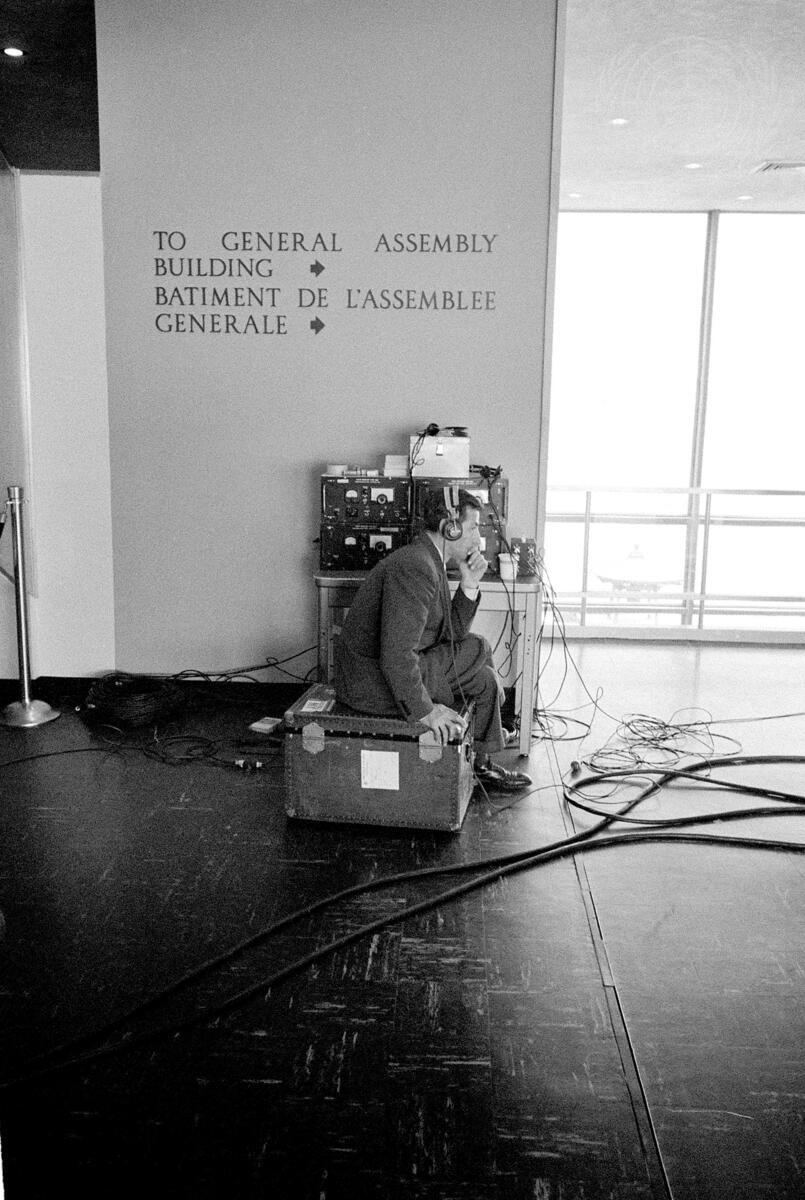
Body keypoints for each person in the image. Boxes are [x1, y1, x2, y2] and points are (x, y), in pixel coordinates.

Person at [333, 485, 532, 793]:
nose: (478, 538)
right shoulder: (416, 566)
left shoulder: (428, 559)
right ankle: (488, 741)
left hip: (387, 672)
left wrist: (469, 583)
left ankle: (480, 763)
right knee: (478, 647)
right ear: (449, 528)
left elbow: (448, 634)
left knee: (485, 679)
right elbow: (396, 655)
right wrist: (426, 711)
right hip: (373, 684)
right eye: (473, 528)